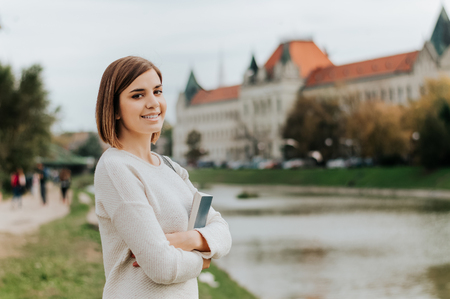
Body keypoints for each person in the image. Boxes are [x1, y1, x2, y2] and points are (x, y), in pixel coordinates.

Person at [94, 56, 232, 298]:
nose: (153, 103)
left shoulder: (170, 166)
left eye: (157, 91)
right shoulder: (115, 167)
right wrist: (204, 260)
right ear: (114, 109)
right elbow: (162, 267)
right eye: (138, 95)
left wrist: (186, 240)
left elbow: (223, 232)